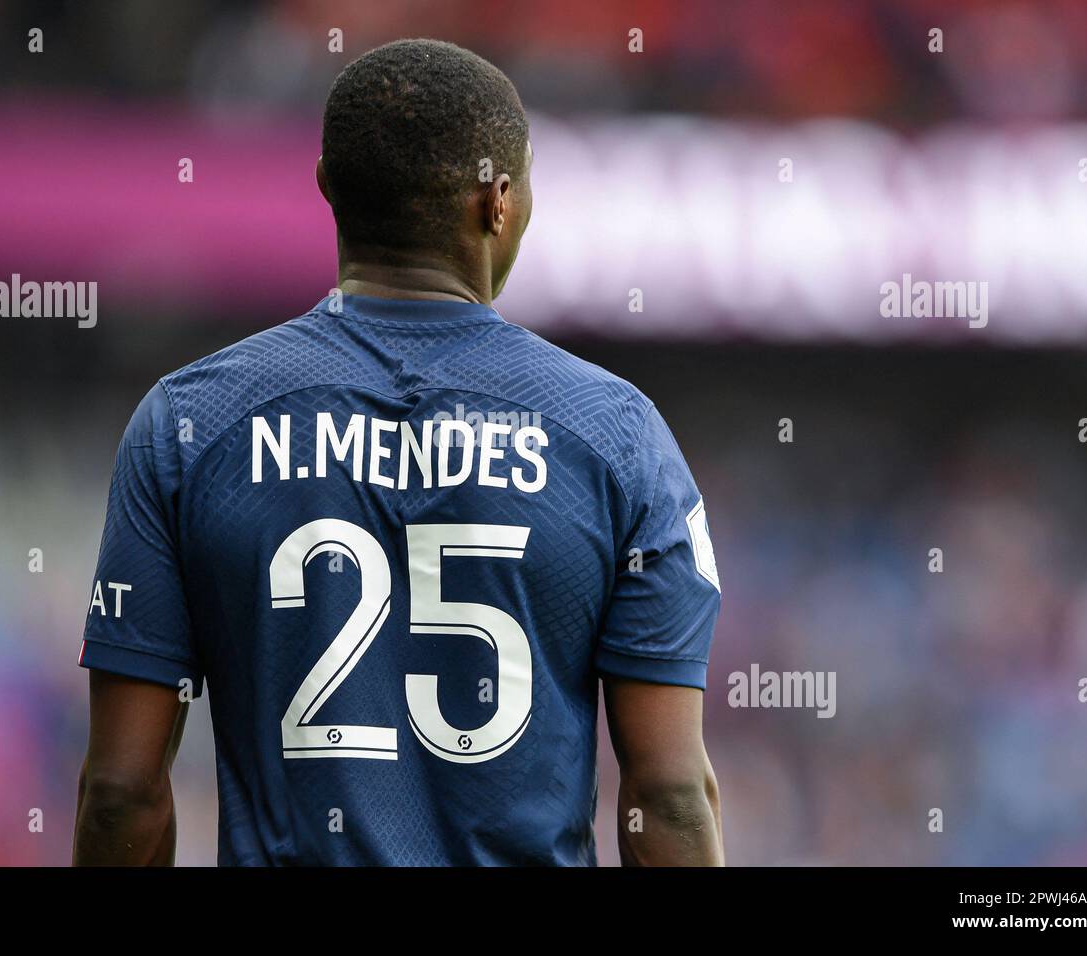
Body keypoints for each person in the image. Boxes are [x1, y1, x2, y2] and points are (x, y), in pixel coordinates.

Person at [73, 38, 723, 866]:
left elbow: (122, 792)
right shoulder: (617, 436)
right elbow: (668, 793)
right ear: (496, 203)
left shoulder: (187, 425)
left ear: (325, 189)